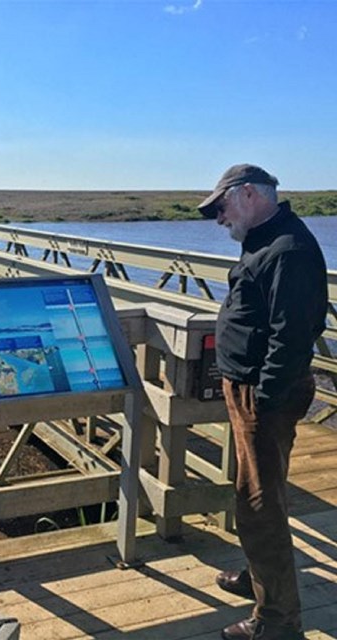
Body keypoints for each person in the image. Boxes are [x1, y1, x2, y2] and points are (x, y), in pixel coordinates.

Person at [198, 164, 327, 640]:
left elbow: (291, 336)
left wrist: (265, 400)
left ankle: (277, 622)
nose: (217, 218)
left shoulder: (288, 250)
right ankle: (259, 581)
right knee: (254, 494)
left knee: (259, 506)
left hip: (263, 395)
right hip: (250, 391)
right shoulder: (268, 241)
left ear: (248, 194)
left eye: (220, 207)